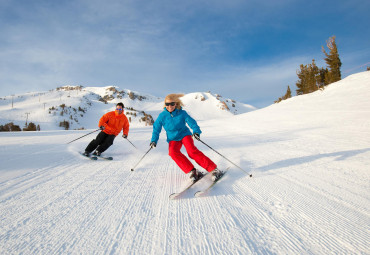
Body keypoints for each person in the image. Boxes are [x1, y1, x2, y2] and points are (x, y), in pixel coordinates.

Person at [150, 94, 223, 181]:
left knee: (191, 151)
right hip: (173, 138)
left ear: (176, 104)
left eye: (172, 104)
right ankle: (193, 171)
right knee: (173, 152)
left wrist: (196, 131)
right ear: (165, 105)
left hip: (185, 135)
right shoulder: (162, 116)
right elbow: (156, 129)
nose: (170, 106)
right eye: (167, 104)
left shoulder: (182, 113)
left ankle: (213, 169)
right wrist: (154, 140)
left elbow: (191, 122)